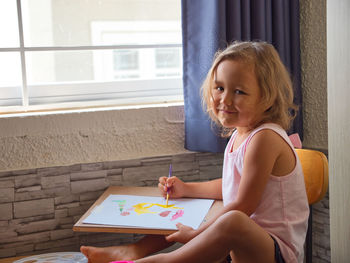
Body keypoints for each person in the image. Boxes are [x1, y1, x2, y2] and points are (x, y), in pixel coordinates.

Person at [81, 41, 309, 263]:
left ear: (267, 98)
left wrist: (196, 234)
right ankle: (133, 251)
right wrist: (186, 189)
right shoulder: (241, 134)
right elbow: (232, 186)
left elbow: (243, 205)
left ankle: (164, 261)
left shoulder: (265, 138)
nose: (225, 99)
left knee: (232, 220)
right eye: (219, 88)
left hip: (276, 251)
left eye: (239, 91)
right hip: (244, 244)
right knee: (189, 211)